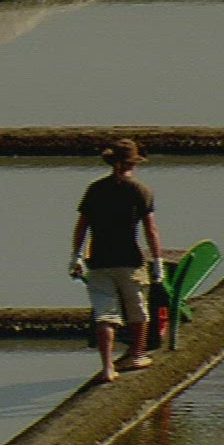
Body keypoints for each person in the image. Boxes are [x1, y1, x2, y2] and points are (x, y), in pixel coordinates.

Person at [70, 138, 164, 383]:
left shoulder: (95, 189)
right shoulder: (140, 190)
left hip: (98, 260)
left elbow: (82, 227)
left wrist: (76, 256)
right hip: (129, 260)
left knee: (105, 315)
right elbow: (151, 230)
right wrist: (157, 261)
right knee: (137, 310)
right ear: (134, 163)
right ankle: (137, 355)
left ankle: (107, 367)